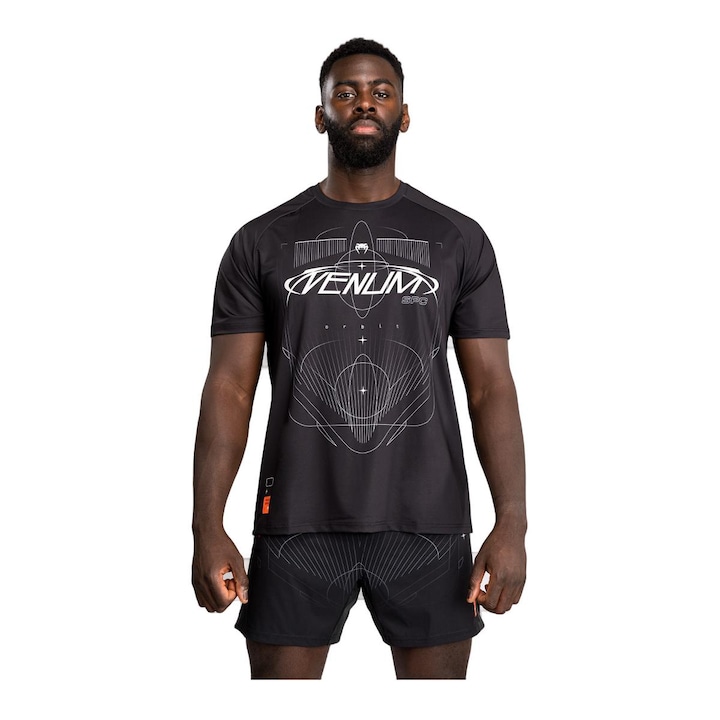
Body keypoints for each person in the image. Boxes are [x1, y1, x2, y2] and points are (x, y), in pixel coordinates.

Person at [192, 38, 527, 680]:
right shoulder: (260, 241)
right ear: (321, 115)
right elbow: (229, 388)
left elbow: (491, 388)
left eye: (381, 92)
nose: (364, 103)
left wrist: (512, 521)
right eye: (345, 93)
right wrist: (207, 525)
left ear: (405, 114)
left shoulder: (458, 238)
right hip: (295, 522)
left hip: (429, 524)